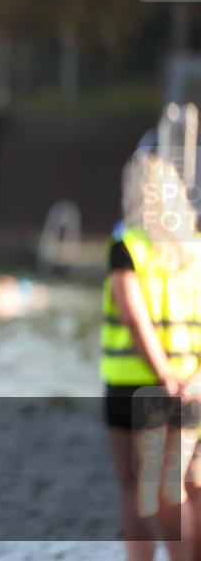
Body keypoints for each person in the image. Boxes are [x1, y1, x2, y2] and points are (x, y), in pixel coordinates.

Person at [101, 152, 201, 561]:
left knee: (139, 488)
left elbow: (132, 313)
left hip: (138, 385)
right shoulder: (195, 252)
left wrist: (163, 374)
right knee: (185, 483)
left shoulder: (127, 246)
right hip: (190, 383)